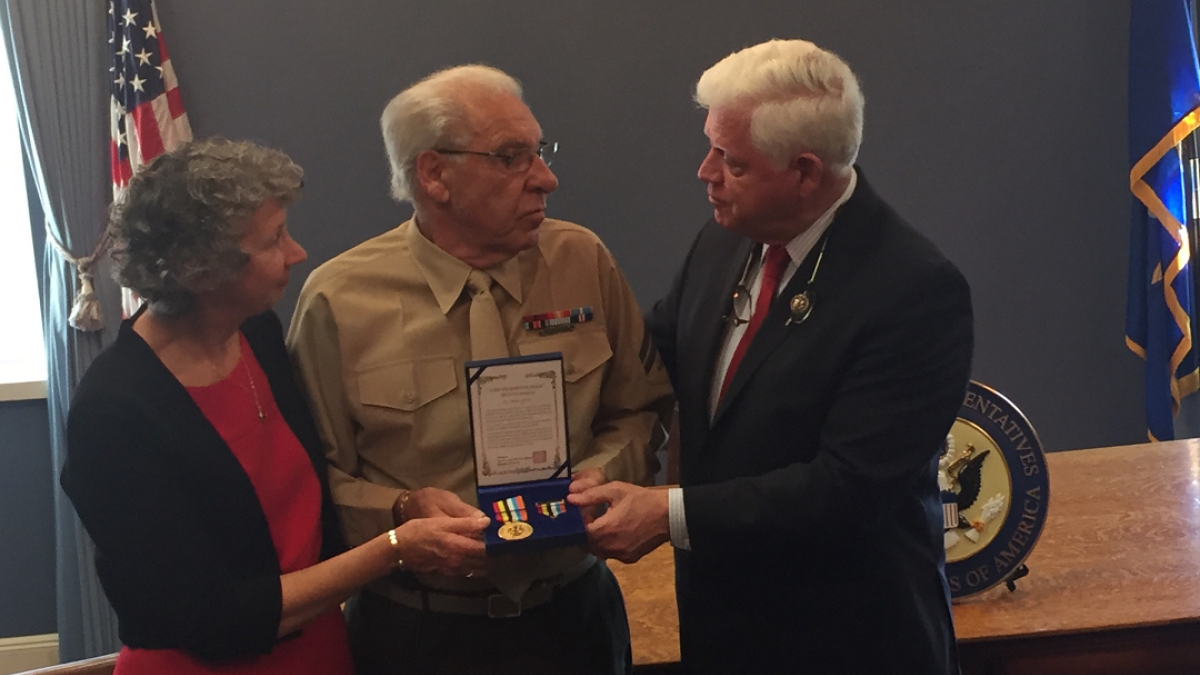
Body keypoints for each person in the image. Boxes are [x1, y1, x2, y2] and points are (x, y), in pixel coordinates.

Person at [567, 39, 973, 674]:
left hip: (849, 641)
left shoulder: (914, 292)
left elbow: (846, 491)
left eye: (730, 160)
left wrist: (666, 512)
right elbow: (656, 355)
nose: (704, 171)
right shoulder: (729, 236)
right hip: (724, 627)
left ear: (806, 172)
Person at [286, 64, 673, 675]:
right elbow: (313, 482)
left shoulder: (582, 260)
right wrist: (402, 513)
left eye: (539, 152)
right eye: (511, 157)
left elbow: (638, 410)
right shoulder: (339, 299)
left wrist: (603, 476)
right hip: (419, 632)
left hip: (573, 618)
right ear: (435, 174)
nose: (546, 178)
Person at [61, 138, 490, 675]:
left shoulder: (256, 332)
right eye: (274, 240)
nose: (297, 253)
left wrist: (401, 510)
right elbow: (207, 615)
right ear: (201, 271)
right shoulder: (113, 413)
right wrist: (394, 547)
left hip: (319, 647)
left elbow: (303, 514)